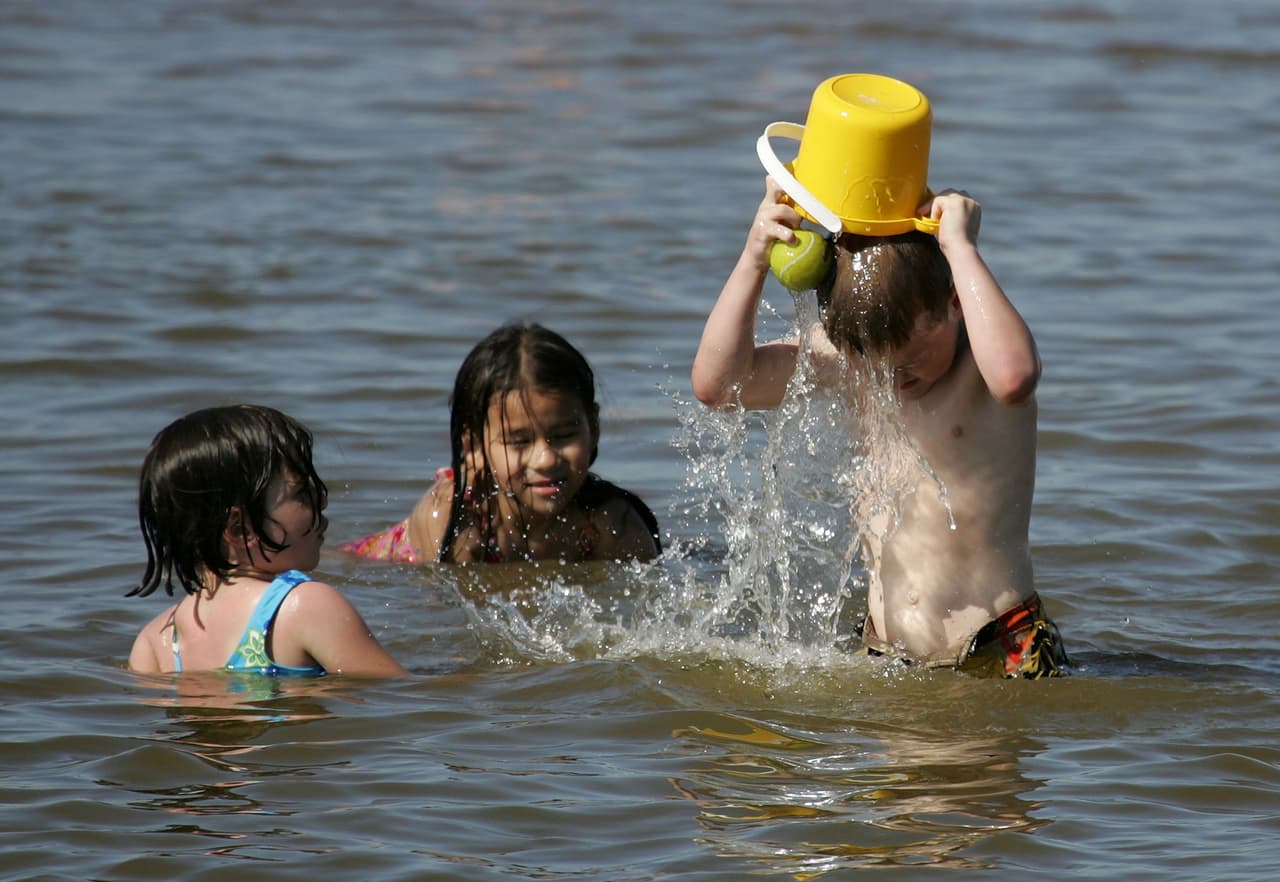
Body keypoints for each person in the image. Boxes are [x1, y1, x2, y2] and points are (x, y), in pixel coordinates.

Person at [691, 177, 1068, 678]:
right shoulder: (850, 363)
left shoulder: (981, 369)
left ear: (954, 303)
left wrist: (960, 247)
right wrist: (753, 260)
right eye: (875, 367)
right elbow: (719, 387)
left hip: (998, 646)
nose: (891, 380)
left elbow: (1016, 376)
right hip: (886, 652)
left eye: (910, 363)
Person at [344, 322, 662, 565]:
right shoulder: (456, 516)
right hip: (372, 562)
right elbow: (439, 623)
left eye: (564, 435)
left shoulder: (609, 524)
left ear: (593, 427)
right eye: (519, 441)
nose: (546, 458)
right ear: (475, 448)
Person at [127, 405, 408, 678]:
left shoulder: (155, 642)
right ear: (237, 529)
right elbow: (394, 694)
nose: (321, 500)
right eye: (300, 492)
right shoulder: (305, 605)